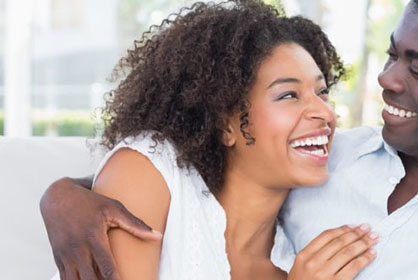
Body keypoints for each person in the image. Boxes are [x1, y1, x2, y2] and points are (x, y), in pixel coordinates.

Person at [41, 0, 418, 279]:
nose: (386, 79)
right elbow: (187, 168)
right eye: (391, 55)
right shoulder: (331, 157)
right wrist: (63, 194)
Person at [45, 1, 382, 279]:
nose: (324, 113)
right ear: (224, 123)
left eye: (322, 92)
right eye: (289, 95)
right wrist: (58, 193)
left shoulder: (298, 263)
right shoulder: (151, 172)